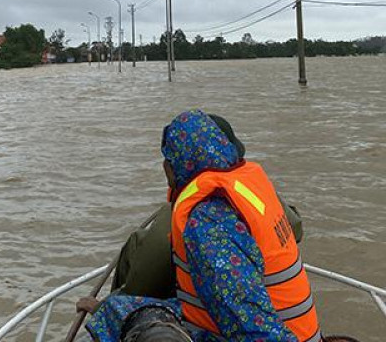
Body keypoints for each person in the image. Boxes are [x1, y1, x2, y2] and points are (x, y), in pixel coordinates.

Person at [79, 109, 327, 342]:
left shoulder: (206, 220)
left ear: (175, 165)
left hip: (278, 334)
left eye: (167, 160)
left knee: (117, 310)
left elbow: (247, 317)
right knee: (123, 308)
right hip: (298, 328)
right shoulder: (249, 188)